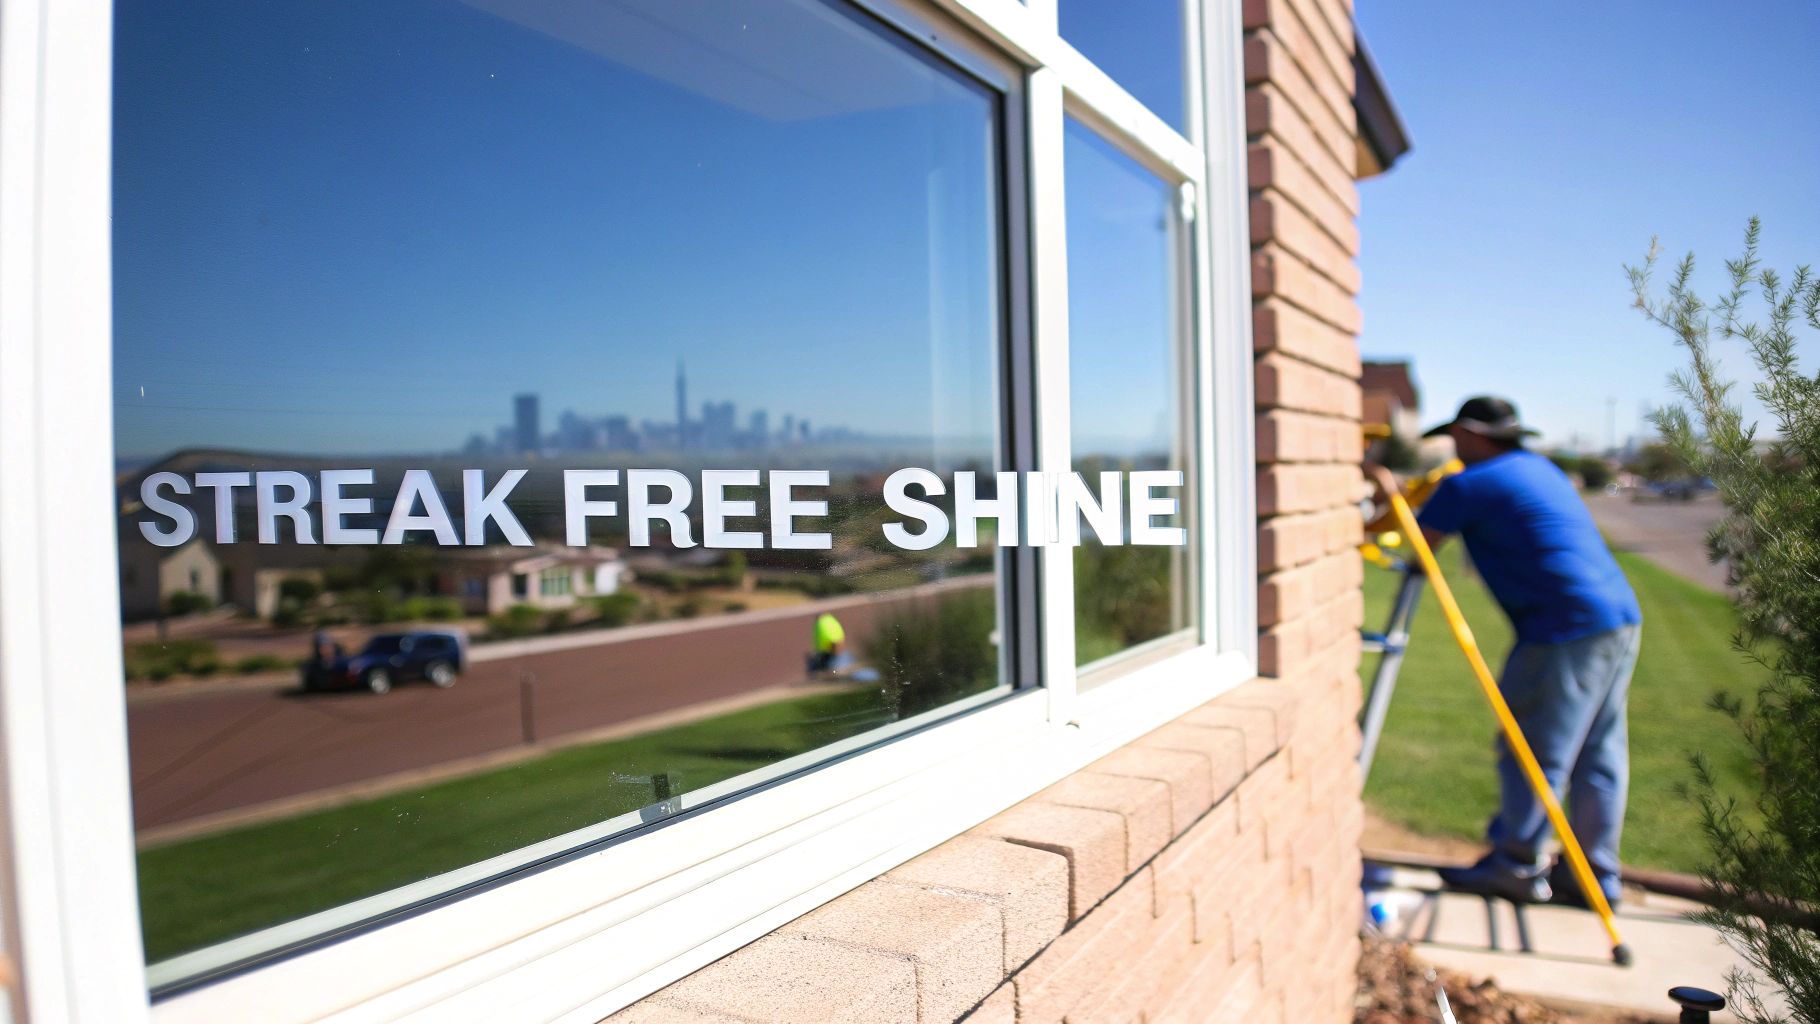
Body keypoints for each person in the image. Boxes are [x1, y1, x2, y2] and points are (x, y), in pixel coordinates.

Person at [1391, 396, 1641, 908]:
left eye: (1456, 438)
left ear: (1471, 433)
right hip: (1617, 617)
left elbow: (1417, 545)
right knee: (1599, 750)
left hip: (1561, 627)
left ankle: (1516, 866)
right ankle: (1594, 876)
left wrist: (1389, 492)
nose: (1453, 449)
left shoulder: (1467, 483)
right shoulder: (1537, 467)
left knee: (1534, 750)